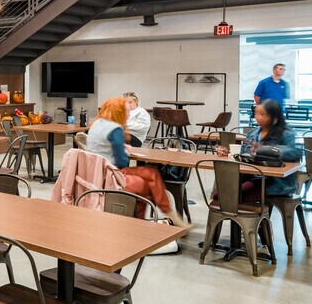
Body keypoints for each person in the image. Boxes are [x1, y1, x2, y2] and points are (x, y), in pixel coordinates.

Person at [86, 96, 191, 228]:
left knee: (151, 173)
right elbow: (122, 161)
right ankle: (160, 218)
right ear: (119, 111)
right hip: (112, 176)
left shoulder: (96, 124)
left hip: (96, 174)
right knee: (147, 186)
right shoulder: (115, 129)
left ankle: (151, 219)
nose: (129, 114)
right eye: (127, 111)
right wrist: (125, 151)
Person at [215, 99, 301, 202]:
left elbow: (294, 153)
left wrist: (266, 150)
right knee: (220, 194)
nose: (258, 117)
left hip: (275, 182)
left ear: (274, 117)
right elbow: (244, 155)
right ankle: (243, 216)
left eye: (263, 114)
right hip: (251, 176)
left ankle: (253, 217)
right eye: (256, 113)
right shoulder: (253, 133)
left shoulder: (286, 133)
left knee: (230, 196)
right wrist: (228, 153)